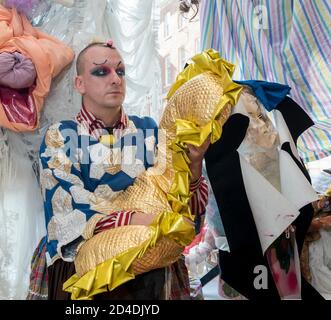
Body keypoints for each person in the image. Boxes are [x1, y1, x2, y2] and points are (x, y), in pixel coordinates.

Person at [28, 40, 209, 300]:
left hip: (152, 268)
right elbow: (67, 209)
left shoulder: (150, 131)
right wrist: (139, 219)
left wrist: (193, 164)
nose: (115, 79)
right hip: (83, 272)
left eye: (120, 71)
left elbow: (179, 208)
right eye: (101, 72)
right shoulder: (61, 135)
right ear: (80, 84)